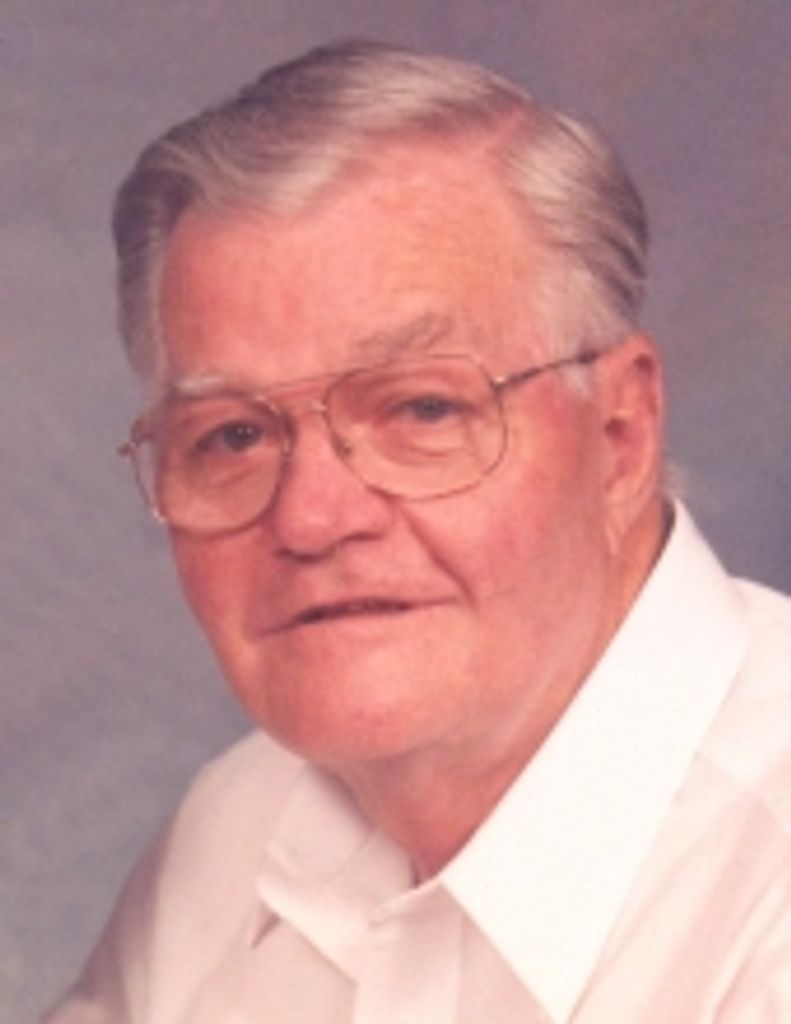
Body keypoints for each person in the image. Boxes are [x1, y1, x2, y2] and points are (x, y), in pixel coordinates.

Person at [46, 40, 791, 1024]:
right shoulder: (233, 831)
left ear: (618, 435)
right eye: (232, 435)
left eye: (421, 410)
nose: (312, 518)